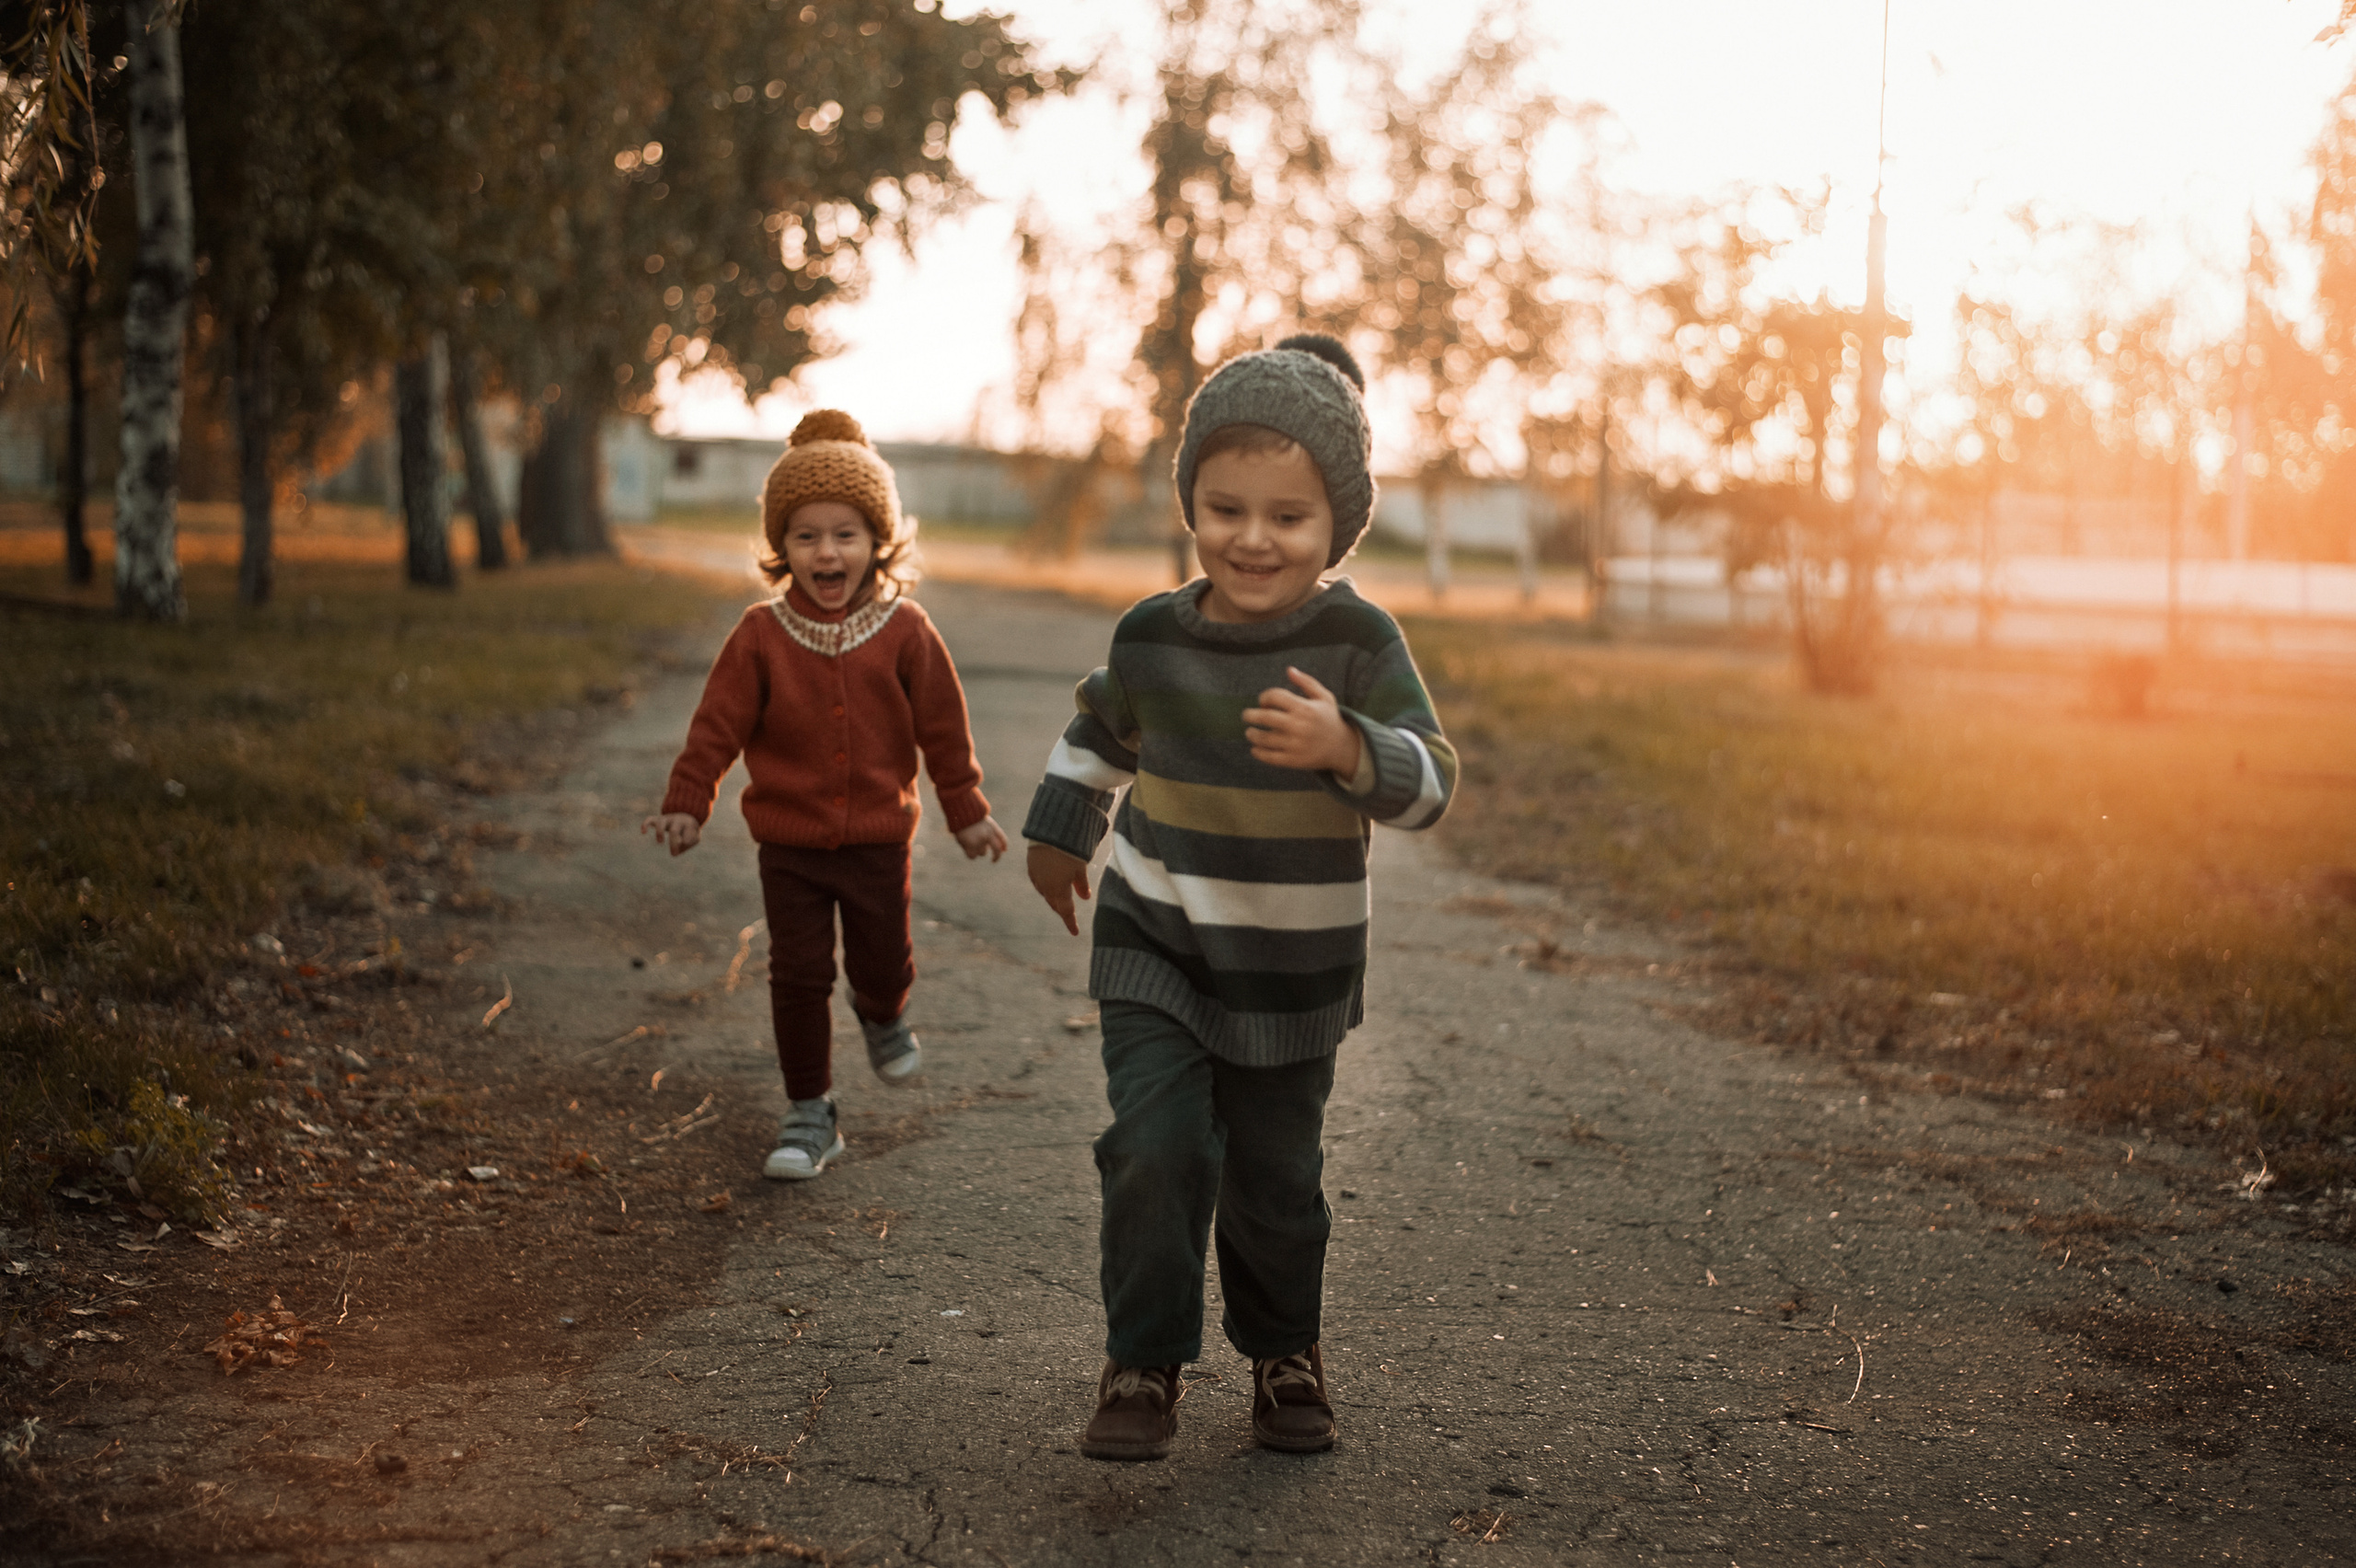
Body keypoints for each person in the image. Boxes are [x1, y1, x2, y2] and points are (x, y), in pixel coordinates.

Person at [1022, 334, 1458, 1460]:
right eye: (1225, 509)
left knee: (1274, 1178)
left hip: (1292, 973)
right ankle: (1143, 1361)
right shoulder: (1156, 636)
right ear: (1191, 506)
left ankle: (1284, 1352)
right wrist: (1060, 834)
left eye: (1287, 517)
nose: (1252, 539)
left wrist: (1346, 745)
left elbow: (1429, 783)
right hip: (1155, 942)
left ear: (1336, 528)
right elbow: (1097, 733)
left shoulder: (1356, 641)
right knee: (1158, 1146)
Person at [642, 409, 1007, 1182]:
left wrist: (967, 811)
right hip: (791, 848)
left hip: (879, 843)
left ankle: (882, 1010)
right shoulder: (760, 634)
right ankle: (811, 1112)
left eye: (845, 533)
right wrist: (687, 799)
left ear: (879, 540)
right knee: (798, 975)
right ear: (782, 547)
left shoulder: (908, 630)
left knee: (880, 962)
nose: (826, 551)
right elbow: (717, 726)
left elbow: (943, 730)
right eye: (806, 536)